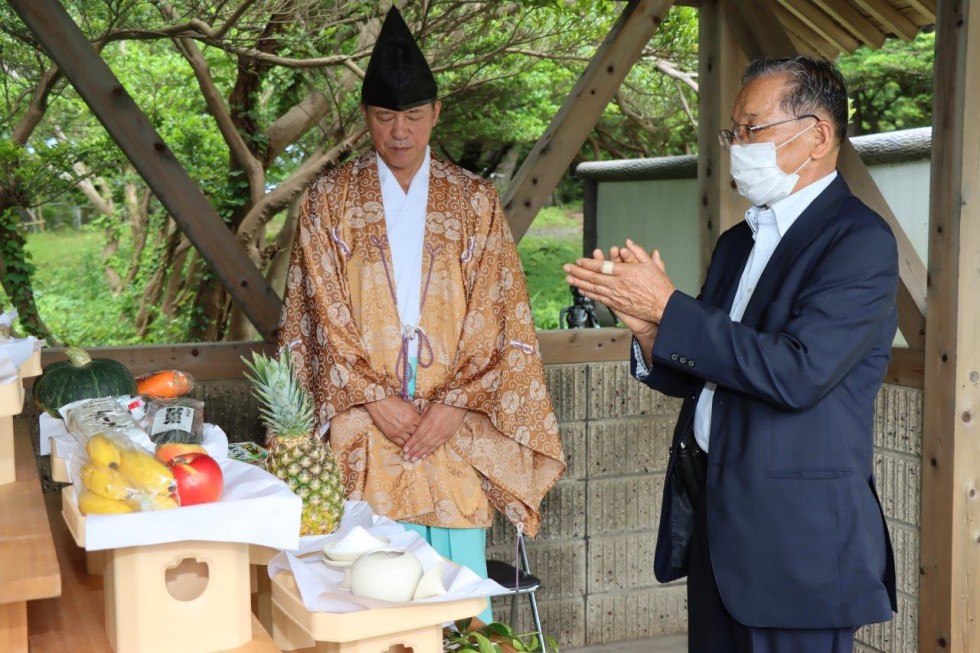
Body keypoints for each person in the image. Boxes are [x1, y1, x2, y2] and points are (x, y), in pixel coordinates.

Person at [564, 56, 897, 652]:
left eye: (751, 129)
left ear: (817, 136)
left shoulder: (858, 241)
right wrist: (648, 330)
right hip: (719, 520)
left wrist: (671, 309)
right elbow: (710, 371)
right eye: (733, 132)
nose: (737, 146)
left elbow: (797, 372)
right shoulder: (738, 242)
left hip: (799, 541)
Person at [277, 6, 565, 625]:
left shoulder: (476, 201)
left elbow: (499, 309)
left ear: (435, 114)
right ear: (366, 119)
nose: (399, 132)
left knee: (458, 598)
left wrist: (457, 402)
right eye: (385, 117)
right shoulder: (327, 202)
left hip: (453, 423)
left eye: (412, 116)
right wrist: (373, 397)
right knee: (363, 585)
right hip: (365, 419)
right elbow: (319, 311)